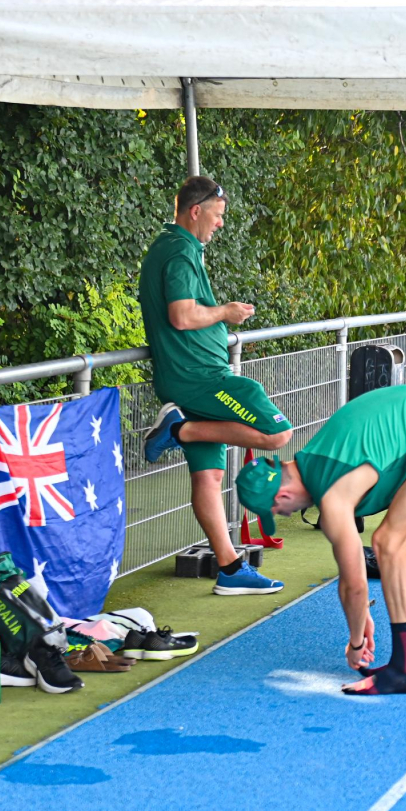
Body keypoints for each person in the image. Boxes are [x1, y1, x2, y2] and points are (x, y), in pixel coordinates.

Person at [236, 383, 406, 696]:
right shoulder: (319, 453)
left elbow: (354, 583)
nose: (285, 515)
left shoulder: (331, 492)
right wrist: (363, 615)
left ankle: (404, 669)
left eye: (277, 510)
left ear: (283, 494)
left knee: (390, 541)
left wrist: (356, 641)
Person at [138, 176, 290, 595]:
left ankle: (229, 568)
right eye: (219, 216)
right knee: (277, 433)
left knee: (208, 479)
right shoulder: (181, 251)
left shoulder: (172, 248)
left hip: (188, 381)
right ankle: (179, 429)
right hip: (202, 379)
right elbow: (182, 316)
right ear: (195, 211)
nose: (221, 224)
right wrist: (225, 312)